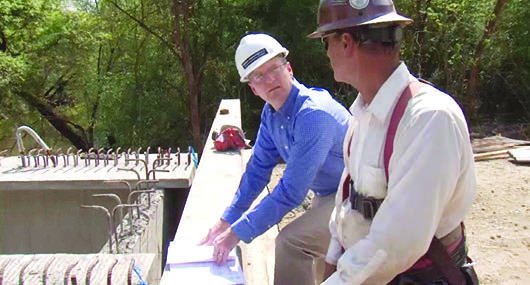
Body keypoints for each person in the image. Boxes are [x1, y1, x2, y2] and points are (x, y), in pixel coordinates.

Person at [308, 1, 479, 284]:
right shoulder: (363, 113)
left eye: (326, 42)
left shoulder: (428, 119)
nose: (327, 54)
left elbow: (396, 243)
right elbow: (346, 200)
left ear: (347, 42)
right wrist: (332, 261)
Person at [199, 33, 351, 285]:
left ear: (289, 69)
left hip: (359, 197)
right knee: (321, 267)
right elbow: (258, 170)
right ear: (253, 88)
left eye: (274, 69)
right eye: (259, 76)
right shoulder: (272, 115)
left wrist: (236, 233)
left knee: (292, 243)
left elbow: (291, 192)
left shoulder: (312, 115)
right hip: (331, 196)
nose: (269, 79)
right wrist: (225, 221)